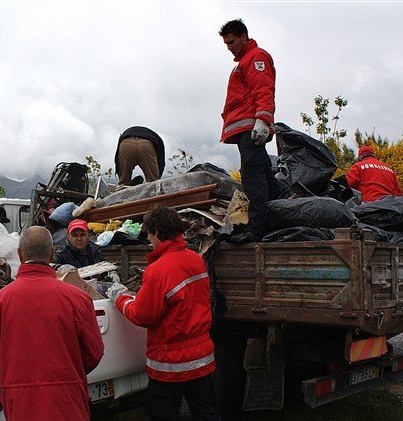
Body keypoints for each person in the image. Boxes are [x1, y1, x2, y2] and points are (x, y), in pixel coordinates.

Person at [0, 226, 105, 421]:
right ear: (52, 253)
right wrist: (69, 374)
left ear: (20, 254)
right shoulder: (78, 298)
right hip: (68, 400)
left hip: (19, 402)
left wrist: (12, 381)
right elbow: (93, 352)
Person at [108, 206, 221, 421]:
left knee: (162, 415)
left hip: (171, 364)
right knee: (207, 414)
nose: (149, 239)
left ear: (158, 232)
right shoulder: (195, 259)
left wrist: (119, 297)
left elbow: (143, 316)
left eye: (149, 234)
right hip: (201, 358)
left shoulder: (159, 270)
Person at [219, 19, 284, 243]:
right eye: (226, 43)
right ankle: (282, 215)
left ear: (244, 37)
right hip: (246, 129)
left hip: (251, 129)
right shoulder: (245, 60)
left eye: (232, 41)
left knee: (253, 178)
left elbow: (264, 88)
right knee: (266, 176)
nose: (229, 47)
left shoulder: (256, 57)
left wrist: (263, 119)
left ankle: (257, 230)